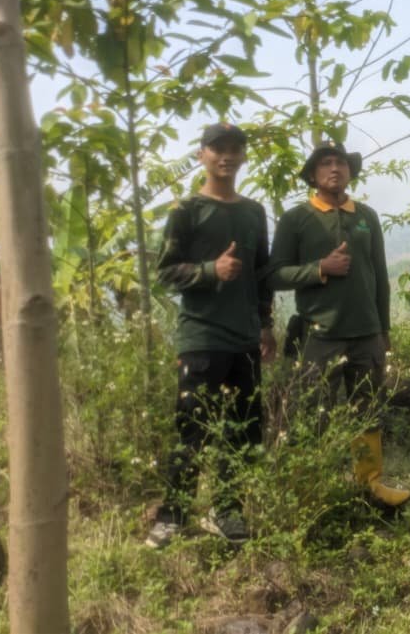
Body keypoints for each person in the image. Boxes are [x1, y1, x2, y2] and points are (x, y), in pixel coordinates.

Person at [147, 123, 275, 548]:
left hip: (244, 340)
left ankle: (228, 512)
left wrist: (266, 325)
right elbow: (164, 273)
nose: (227, 156)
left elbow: (261, 274)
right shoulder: (186, 210)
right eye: (218, 149)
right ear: (202, 154)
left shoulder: (254, 212)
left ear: (242, 157)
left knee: (243, 429)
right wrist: (209, 271)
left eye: (235, 149)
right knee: (192, 430)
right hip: (201, 337)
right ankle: (173, 516)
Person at [267, 141, 410, 508]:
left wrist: (384, 329)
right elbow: (274, 274)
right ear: (313, 175)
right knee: (315, 413)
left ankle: (371, 485)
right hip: (320, 334)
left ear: (350, 171)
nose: (335, 168)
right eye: (326, 163)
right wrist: (319, 270)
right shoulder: (296, 218)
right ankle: (313, 489)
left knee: (368, 409)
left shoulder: (366, 215)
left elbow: (380, 276)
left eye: (341, 163)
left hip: (366, 333)